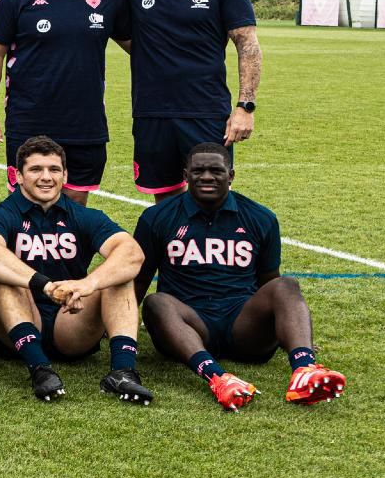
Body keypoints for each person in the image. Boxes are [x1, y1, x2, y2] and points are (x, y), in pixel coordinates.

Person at [15, 0, 260, 196]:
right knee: (164, 197)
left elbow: (247, 44)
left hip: (205, 111)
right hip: (149, 113)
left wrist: (245, 106)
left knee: (211, 196)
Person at [133, 144, 346, 411]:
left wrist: (290, 332)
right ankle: (218, 378)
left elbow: (269, 282)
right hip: (188, 322)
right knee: (156, 302)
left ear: (231, 175)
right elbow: (140, 279)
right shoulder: (157, 217)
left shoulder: (260, 217)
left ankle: (304, 368)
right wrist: (123, 332)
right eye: (198, 170)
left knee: (286, 285)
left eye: (216, 170)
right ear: (185, 175)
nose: (207, 176)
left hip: (244, 325)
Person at [0, 137, 153, 404]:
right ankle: (39, 369)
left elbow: (132, 254)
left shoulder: (82, 215)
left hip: (70, 321)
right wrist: (45, 285)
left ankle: (123, 371)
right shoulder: (1, 214)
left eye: (54, 170)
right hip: (15, 327)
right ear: (18, 176)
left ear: (65, 175)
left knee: (119, 277)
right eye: (36, 170)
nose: (46, 177)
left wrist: (86, 285)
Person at [0, 0, 124, 204]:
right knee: (25, 210)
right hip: (29, 121)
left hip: (86, 125)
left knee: (74, 212)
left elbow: (139, 44)